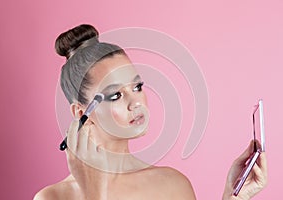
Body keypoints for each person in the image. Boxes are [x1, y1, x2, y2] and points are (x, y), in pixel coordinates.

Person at [34, 24, 267, 200]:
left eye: (137, 87)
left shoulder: (172, 185)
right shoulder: (53, 197)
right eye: (115, 95)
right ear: (80, 112)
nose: (136, 102)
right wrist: (94, 193)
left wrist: (231, 196)